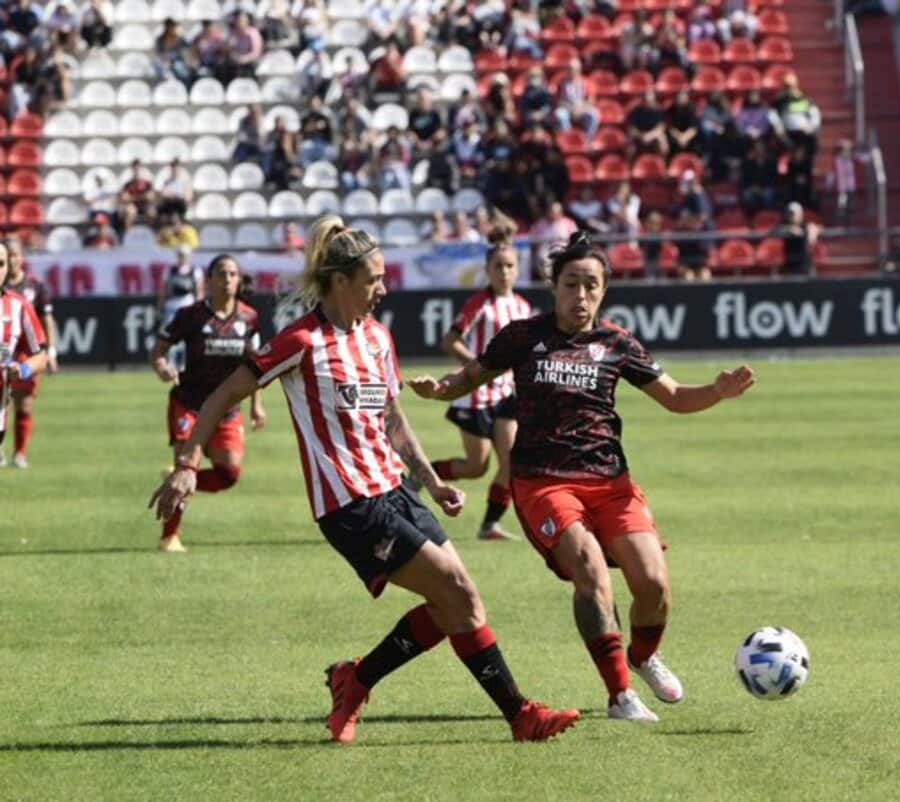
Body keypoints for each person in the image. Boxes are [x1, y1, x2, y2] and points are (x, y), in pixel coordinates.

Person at [149, 216, 580, 743]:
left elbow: (393, 420)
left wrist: (432, 481)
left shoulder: (377, 337)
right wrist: (188, 464)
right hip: (348, 505)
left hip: (394, 490)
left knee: (455, 605)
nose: (383, 287)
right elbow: (221, 397)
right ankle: (520, 716)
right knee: (460, 593)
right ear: (340, 281)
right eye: (374, 278)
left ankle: (355, 680)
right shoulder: (300, 342)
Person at [407, 232, 756, 722]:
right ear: (554, 286)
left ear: (604, 290)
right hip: (543, 481)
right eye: (571, 284)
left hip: (610, 481)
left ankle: (642, 657)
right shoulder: (525, 336)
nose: (581, 295)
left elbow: (675, 397)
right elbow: (467, 380)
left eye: (591, 285)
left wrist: (716, 392)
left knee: (653, 584)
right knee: (589, 570)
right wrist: (437, 390)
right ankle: (619, 694)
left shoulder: (616, 343)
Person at [149, 255, 266, 552]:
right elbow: (159, 349)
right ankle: (169, 536)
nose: (227, 279)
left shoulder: (249, 318)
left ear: (239, 280)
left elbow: (255, 366)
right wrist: (162, 367)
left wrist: (256, 404)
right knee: (187, 464)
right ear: (209, 280)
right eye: (221, 274)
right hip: (189, 403)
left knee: (229, 474)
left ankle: (180, 479)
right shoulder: (191, 315)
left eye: (232, 274)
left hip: (227, 409)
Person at [426, 228, 533, 541]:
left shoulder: (523, 307)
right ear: (487, 270)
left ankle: (489, 525)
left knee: (511, 464)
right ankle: (421, 476)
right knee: (476, 467)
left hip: (507, 396)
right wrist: (477, 366)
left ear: (518, 268)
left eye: (509, 266)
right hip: (477, 394)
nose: (504, 272)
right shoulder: (480, 303)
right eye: (498, 266)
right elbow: (450, 340)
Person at [1, 236, 56, 469]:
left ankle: (19, 453)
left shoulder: (19, 305)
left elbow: (40, 355)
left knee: (24, 405)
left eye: (1, 263)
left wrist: (22, 369)